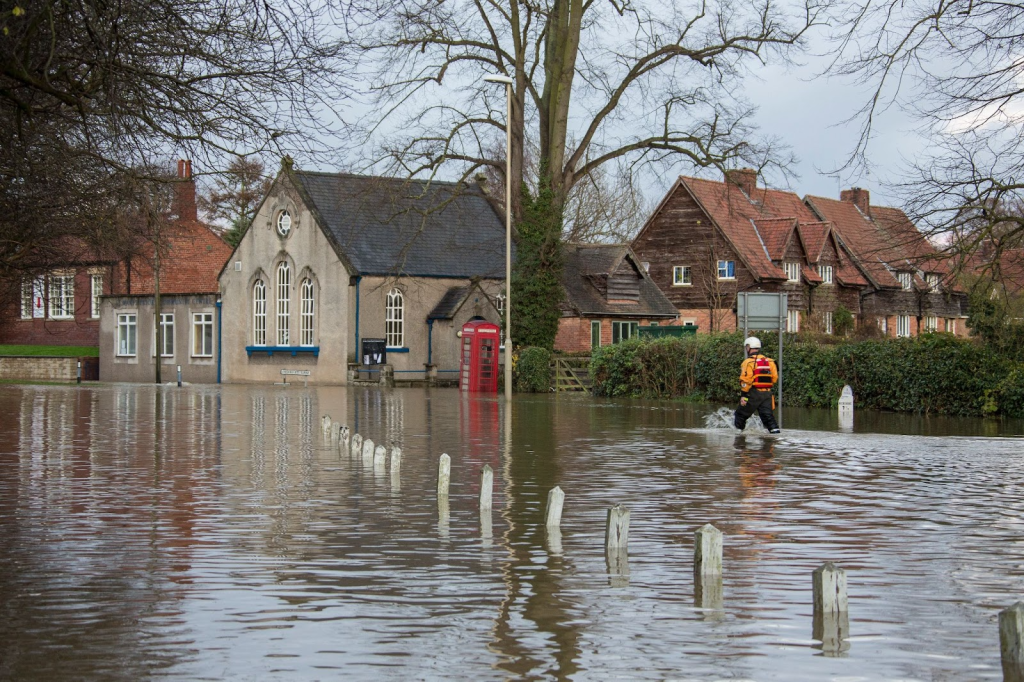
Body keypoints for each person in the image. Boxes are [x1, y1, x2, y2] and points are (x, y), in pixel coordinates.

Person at [733, 336, 781, 433]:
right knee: (768, 418)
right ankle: (774, 438)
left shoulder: (748, 362)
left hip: (752, 394)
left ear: (749, 347)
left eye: (746, 347)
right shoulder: (771, 362)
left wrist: (743, 396)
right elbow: (775, 379)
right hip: (767, 395)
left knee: (740, 415)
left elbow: (746, 380)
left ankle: (739, 439)